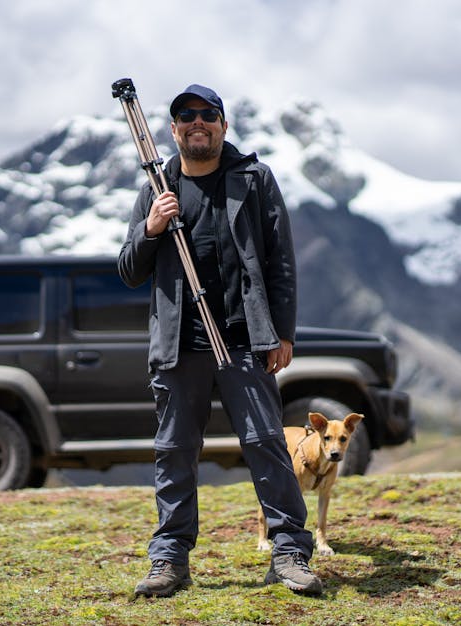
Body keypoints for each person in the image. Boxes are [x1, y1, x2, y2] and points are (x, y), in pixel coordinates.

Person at [118, 84, 322, 597]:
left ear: (224, 125)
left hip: (243, 342)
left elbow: (280, 262)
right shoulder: (156, 184)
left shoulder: (253, 180)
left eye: (208, 114)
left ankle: (290, 552)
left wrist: (283, 332)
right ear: (173, 130)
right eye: (186, 116)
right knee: (174, 451)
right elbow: (128, 269)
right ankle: (169, 561)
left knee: (266, 444)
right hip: (178, 345)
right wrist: (151, 226)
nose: (197, 122)